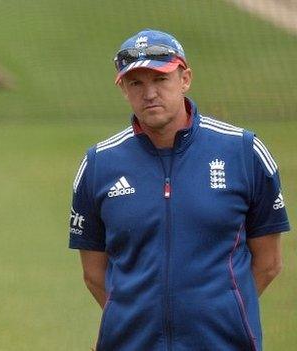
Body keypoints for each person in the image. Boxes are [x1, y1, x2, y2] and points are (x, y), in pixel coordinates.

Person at [68, 29, 290, 350]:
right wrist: (139, 320)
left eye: (160, 80)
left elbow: (269, 263)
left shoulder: (244, 152)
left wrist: (219, 313)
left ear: (184, 79)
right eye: (136, 83)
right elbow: (93, 274)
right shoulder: (99, 164)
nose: (149, 93)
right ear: (123, 90)